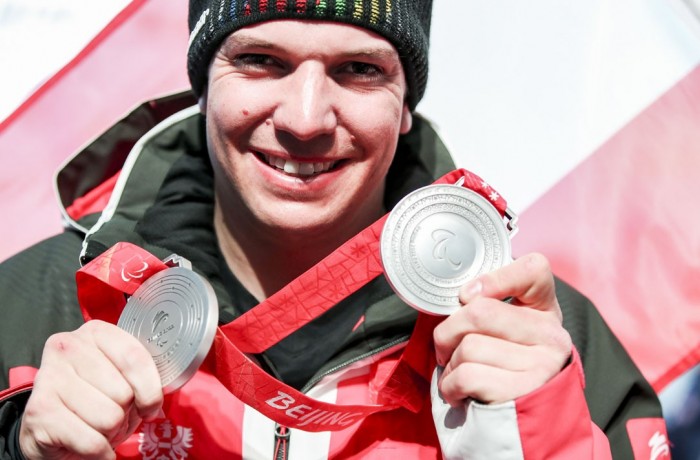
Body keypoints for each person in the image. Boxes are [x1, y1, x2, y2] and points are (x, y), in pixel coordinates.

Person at [0, 1, 667, 458]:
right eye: (261, 60)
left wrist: (535, 434)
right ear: (205, 85)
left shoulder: (542, 341)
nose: (307, 117)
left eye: (358, 69)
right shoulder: (38, 304)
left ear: (405, 104)